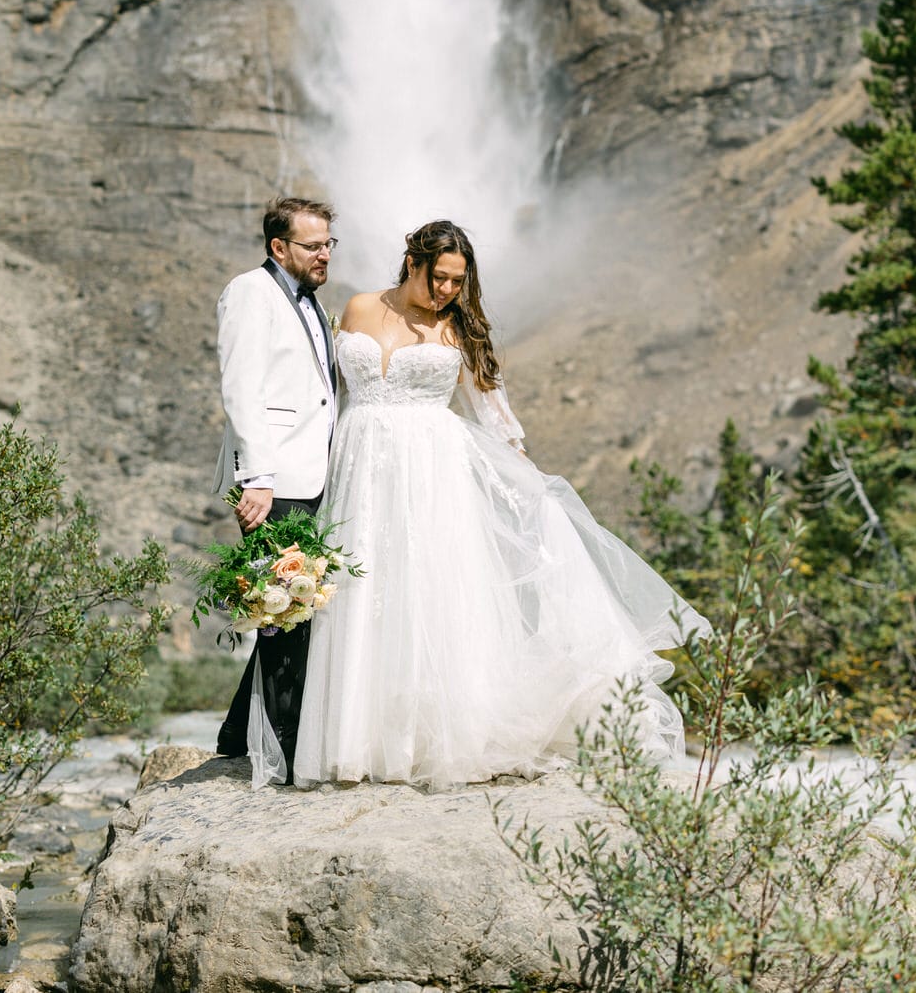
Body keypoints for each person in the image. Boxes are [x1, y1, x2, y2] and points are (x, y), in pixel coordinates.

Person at [291, 219, 711, 790]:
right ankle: (357, 743)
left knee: (428, 598)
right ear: (411, 261)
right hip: (360, 473)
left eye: (458, 281)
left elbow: (494, 416)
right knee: (365, 593)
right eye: (439, 277)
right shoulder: (359, 308)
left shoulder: (460, 330)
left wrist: (529, 481)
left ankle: (423, 742)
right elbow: (326, 394)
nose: (447, 291)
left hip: (433, 478)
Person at [212, 196, 338, 783]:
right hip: (274, 481)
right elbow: (241, 389)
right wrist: (255, 479)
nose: (324, 254)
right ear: (278, 247)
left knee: (296, 604)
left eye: (329, 244)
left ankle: (237, 732)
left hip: (313, 474)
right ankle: (283, 754)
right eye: (313, 245)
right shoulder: (249, 292)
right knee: (285, 613)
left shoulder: (312, 303)